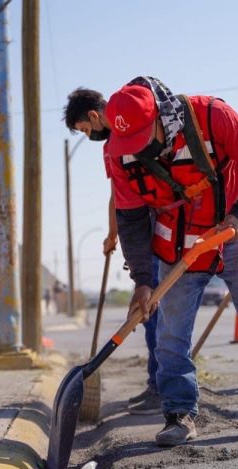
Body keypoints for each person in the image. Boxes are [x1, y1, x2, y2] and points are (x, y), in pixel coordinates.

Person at [102, 76, 238, 446]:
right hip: (178, 245)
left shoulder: (212, 115)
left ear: (160, 118)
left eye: (141, 137)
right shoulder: (117, 152)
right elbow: (132, 218)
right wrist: (141, 280)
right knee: (170, 333)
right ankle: (179, 413)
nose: (137, 148)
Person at [64, 88, 161, 415]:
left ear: (93, 115)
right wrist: (112, 234)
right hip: (145, 224)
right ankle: (159, 384)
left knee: (153, 309)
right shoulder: (118, 142)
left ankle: (162, 387)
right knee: (152, 311)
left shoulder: (123, 137)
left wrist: (115, 232)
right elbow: (118, 195)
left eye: (86, 130)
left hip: (155, 227)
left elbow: (120, 197)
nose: (89, 136)